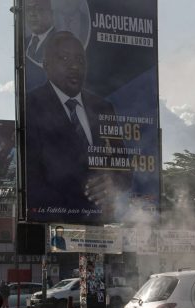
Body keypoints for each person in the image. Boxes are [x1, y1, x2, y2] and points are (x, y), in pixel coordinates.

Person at [25, 31, 130, 223]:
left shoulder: (103, 107)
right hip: (53, 225)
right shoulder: (30, 106)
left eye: (80, 60)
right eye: (64, 58)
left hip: (103, 223)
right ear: (46, 65)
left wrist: (111, 182)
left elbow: (123, 169)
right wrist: (78, 205)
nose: (74, 66)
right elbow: (31, 179)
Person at [24, 0, 56, 90]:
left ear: (51, 14)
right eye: (28, 9)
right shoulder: (23, 43)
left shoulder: (61, 44)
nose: (32, 14)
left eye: (39, 9)